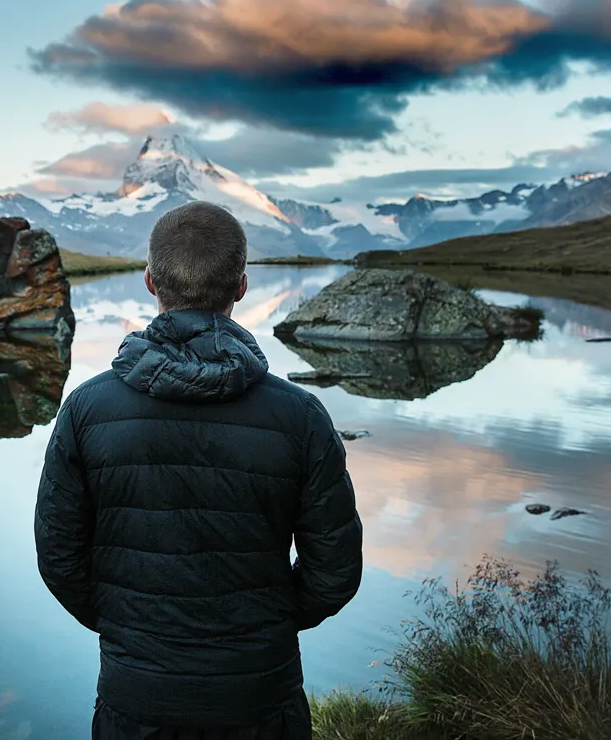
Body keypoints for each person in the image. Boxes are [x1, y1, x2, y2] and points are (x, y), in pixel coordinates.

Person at [34, 200, 364, 739]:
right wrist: (270, 622)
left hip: (135, 699)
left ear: (149, 281)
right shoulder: (301, 417)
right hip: (262, 698)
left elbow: (58, 558)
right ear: (241, 286)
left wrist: (127, 626)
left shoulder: (86, 410)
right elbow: (335, 571)